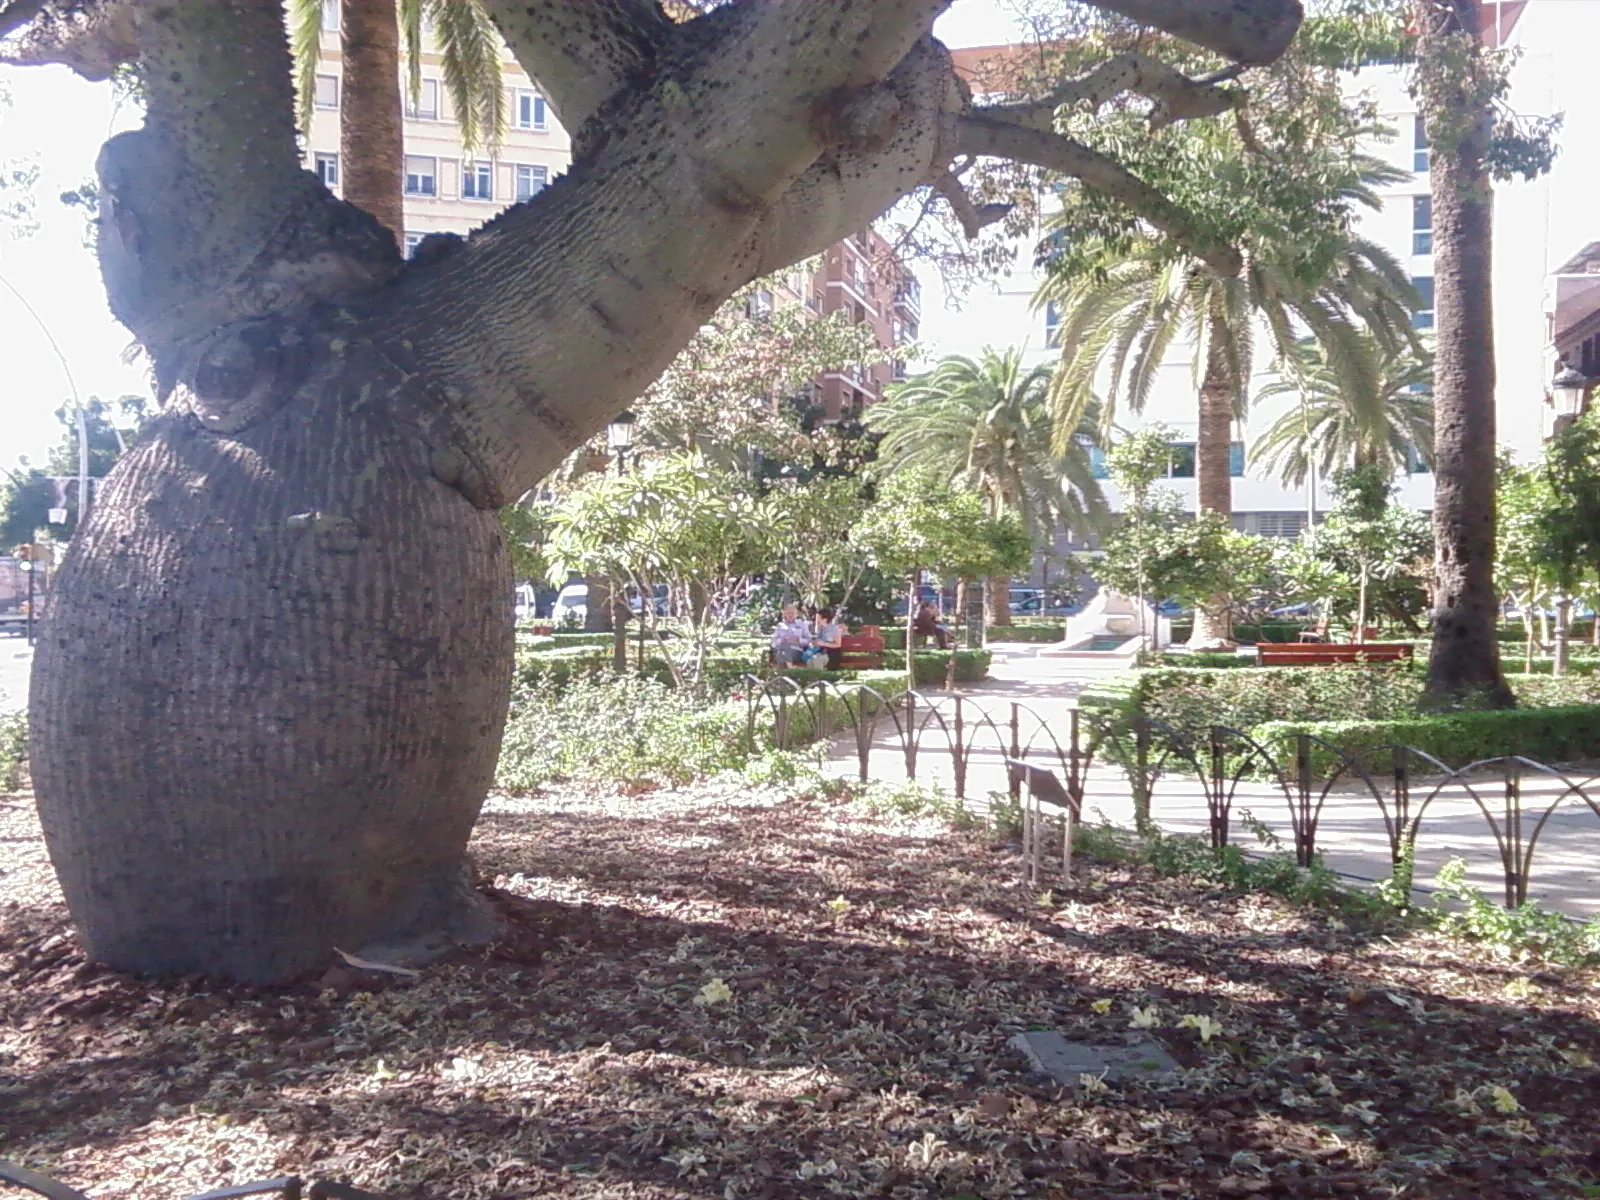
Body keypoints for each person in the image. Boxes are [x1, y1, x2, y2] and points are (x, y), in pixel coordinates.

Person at [770, 602, 812, 667]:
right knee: (782, 652)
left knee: (781, 654)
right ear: (785, 614)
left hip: (796, 651)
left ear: (796, 614)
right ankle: (790, 670)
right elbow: (773, 642)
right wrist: (782, 639)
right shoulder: (780, 625)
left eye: (792, 613)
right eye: (788, 613)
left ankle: (784, 673)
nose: (790, 615)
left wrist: (798, 639)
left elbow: (809, 640)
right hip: (782, 649)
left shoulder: (802, 624)